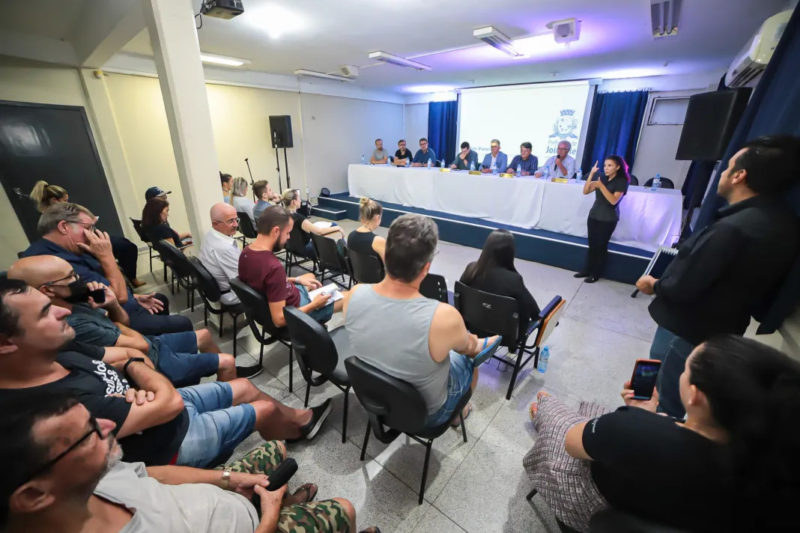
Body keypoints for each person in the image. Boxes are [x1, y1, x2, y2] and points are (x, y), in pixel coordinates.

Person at [0, 277, 334, 467]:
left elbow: (133, 353)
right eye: (45, 313)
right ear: (6, 343)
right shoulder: (46, 407)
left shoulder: (63, 351)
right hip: (169, 442)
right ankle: (286, 428)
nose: (62, 312)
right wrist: (139, 378)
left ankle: (295, 419)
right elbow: (165, 401)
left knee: (245, 387)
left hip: (160, 405)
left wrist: (135, 375)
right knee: (263, 407)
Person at [523, 335, 800, 532]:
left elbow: (572, 443)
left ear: (694, 396)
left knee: (555, 411)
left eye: (686, 368)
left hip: (595, 503)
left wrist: (639, 418)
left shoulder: (632, 430)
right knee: (590, 411)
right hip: (659, 503)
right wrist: (646, 416)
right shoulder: (775, 467)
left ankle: (541, 409)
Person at [0, 393, 358, 533]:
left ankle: (282, 503)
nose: (110, 426)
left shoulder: (90, 477)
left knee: (278, 447)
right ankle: (280, 510)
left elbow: (153, 474)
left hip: (223, 499)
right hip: (254, 525)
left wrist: (229, 478)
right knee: (345, 508)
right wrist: (267, 517)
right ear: (33, 496)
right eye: (89, 433)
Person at [635, 135, 800, 418]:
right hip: (723, 327)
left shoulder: (732, 228)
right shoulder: (784, 223)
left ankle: (645, 436)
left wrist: (654, 284)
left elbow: (683, 286)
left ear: (740, 176)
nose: (722, 173)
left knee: (660, 394)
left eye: (727, 167)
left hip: (684, 329)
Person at [344, 214, 502, 428]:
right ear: (426, 268)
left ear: (386, 254)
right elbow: (470, 350)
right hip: (426, 416)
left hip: (375, 399)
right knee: (468, 359)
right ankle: (457, 413)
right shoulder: (443, 317)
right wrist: (474, 342)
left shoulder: (353, 294)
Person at [7, 255, 263, 384]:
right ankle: (229, 393)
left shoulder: (77, 303)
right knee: (227, 360)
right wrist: (116, 321)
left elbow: (124, 322)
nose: (79, 279)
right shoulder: (70, 323)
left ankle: (223, 375)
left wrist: (112, 306)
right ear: (47, 290)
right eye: (71, 277)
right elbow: (136, 345)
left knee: (205, 335)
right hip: (152, 359)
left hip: (148, 344)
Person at [21, 202, 192, 335]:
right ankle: (165, 352)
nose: (94, 234)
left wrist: (135, 296)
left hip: (109, 305)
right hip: (111, 320)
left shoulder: (71, 248)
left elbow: (91, 292)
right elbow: (120, 297)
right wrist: (106, 255)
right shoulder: (53, 263)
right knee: (182, 323)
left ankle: (166, 345)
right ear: (64, 227)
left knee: (160, 300)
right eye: (88, 228)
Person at [239, 206, 345, 328]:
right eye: (288, 233)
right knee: (348, 296)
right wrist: (314, 305)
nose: (289, 237)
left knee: (310, 277)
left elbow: (265, 282)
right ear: (276, 231)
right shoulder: (273, 266)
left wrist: (296, 280)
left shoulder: (246, 252)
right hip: (296, 309)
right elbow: (279, 320)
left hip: (284, 297)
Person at [30, 180, 146, 287]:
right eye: (65, 200)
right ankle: (127, 280)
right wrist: (106, 255)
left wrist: (89, 225)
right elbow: (121, 297)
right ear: (55, 201)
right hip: (83, 247)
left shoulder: (60, 215)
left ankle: (129, 279)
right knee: (124, 248)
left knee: (125, 244)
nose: (68, 203)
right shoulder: (50, 221)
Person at [459, 230, 539, 339]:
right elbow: (534, 313)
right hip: (505, 337)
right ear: (509, 253)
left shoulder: (471, 269)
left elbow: (460, 297)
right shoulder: (513, 280)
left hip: (473, 328)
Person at [575, 156, 629, 284]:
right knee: (592, 244)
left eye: (610, 165)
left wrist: (601, 186)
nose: (606, 168)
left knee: (600, 246)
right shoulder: (602, 178)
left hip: (608, 219)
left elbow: (613, 200)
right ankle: (586, 270)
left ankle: (596, 273)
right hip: (594, 215)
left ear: (618, 167)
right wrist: (591, 174)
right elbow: (585, 191)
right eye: (605, 165)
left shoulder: (622, 181)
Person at [281, 189, 345, 259]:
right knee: (333, 226)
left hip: (290, 247)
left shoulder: (282, 213)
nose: (300, 200)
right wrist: (338, 228)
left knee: (329, 228)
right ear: (293, 202)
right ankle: (343, 256)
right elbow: (319, 231)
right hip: (304, 249)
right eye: (299, 198)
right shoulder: (297, 218)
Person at [347, 198, 386, 263]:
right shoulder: (379, 241)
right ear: (377, 217)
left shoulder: (351, 236)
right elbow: (390, 268)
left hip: (357, 273)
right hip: (375, 273)